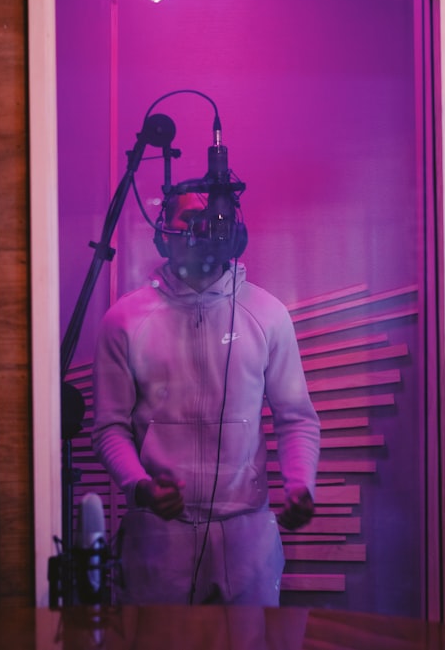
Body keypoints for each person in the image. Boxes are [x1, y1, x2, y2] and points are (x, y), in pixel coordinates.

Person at [91, 188, 321, 606]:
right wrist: (140, 486)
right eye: (191, 219)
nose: (204, 230)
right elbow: (109, 427)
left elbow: (296, 417)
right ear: (163, 234)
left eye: (215, 220)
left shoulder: (267, 315)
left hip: (247, 541)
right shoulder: (125, 320)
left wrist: (300, 483)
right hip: (158, 541)